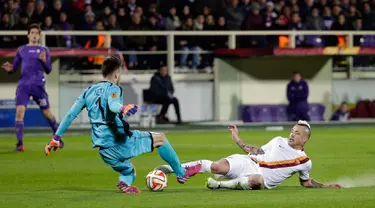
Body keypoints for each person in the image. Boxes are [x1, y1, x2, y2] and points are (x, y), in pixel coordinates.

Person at [44, 56, 200, 194]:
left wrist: (56, 137)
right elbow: (112, 104)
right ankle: (181, 173)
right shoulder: (114, 88)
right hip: (120, 142)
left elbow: (70, 115)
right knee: (161, 139)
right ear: (116, 74)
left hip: (104, 151)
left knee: (129, 169)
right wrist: (122, 108)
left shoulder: (88, 91)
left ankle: (125, 183)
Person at [156, 121, 342, 190]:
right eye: (292, 130)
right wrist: (237, 139)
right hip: (249, 162)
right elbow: (257, 151)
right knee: (216, 167)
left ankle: (219, 185)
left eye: (297, 133)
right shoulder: (278, 140)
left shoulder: (305, 162)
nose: (292, 134)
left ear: (305, 139)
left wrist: (325, 186)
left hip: (260, 180)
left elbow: (306, 182)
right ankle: (173, 169)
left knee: (258, 180)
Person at [1, 24, 59, 152]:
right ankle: (20, 144)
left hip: (38, 86)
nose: (34, 35)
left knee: (47, 113)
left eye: (37, 33)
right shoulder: (21, 50)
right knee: (19, 112)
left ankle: (57, 138)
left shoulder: (44, 50)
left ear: (39, 36)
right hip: (24, 86)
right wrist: (9, 69)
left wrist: (44, 61)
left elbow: (48, 70)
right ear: (28, 35)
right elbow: (14, 68)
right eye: (32, 32)